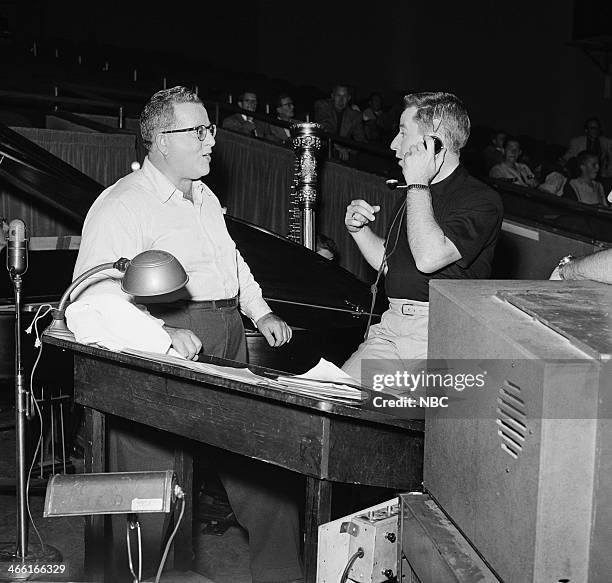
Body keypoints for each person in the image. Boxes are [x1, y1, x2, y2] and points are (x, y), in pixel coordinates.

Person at [72, 86, 302, 583]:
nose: (210, 141)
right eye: (196, 131)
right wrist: (161, 336)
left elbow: (231, 261)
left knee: (263, 471)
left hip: (226, 333)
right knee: (155, 488)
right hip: (165, 337)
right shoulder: (121, 205)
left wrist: (258, 311)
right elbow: (93, 298)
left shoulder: (204, 195)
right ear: (158, 141)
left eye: (209, 128)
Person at [341, 92, 503, 386]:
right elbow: (390, 264)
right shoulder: (414, 193)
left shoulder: (481, 199)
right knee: (336, 399)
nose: (393, 144)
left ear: (433, 143)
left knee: (408, 424)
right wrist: (359, 230)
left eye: (402, 132)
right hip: (391, 327)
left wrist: (417, 183)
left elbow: (429, 258)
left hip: (437, 334)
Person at [314, 84, 366, 161]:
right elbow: (325, 127)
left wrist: (347, 150)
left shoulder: (355, 116)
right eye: (338, 95)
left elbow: (360, 140)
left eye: (344, 96)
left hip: (342, 155)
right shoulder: (323, 105)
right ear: (332, 96)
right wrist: (339, 147)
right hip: (322, 151)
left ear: (349, 98)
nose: (341, 100)